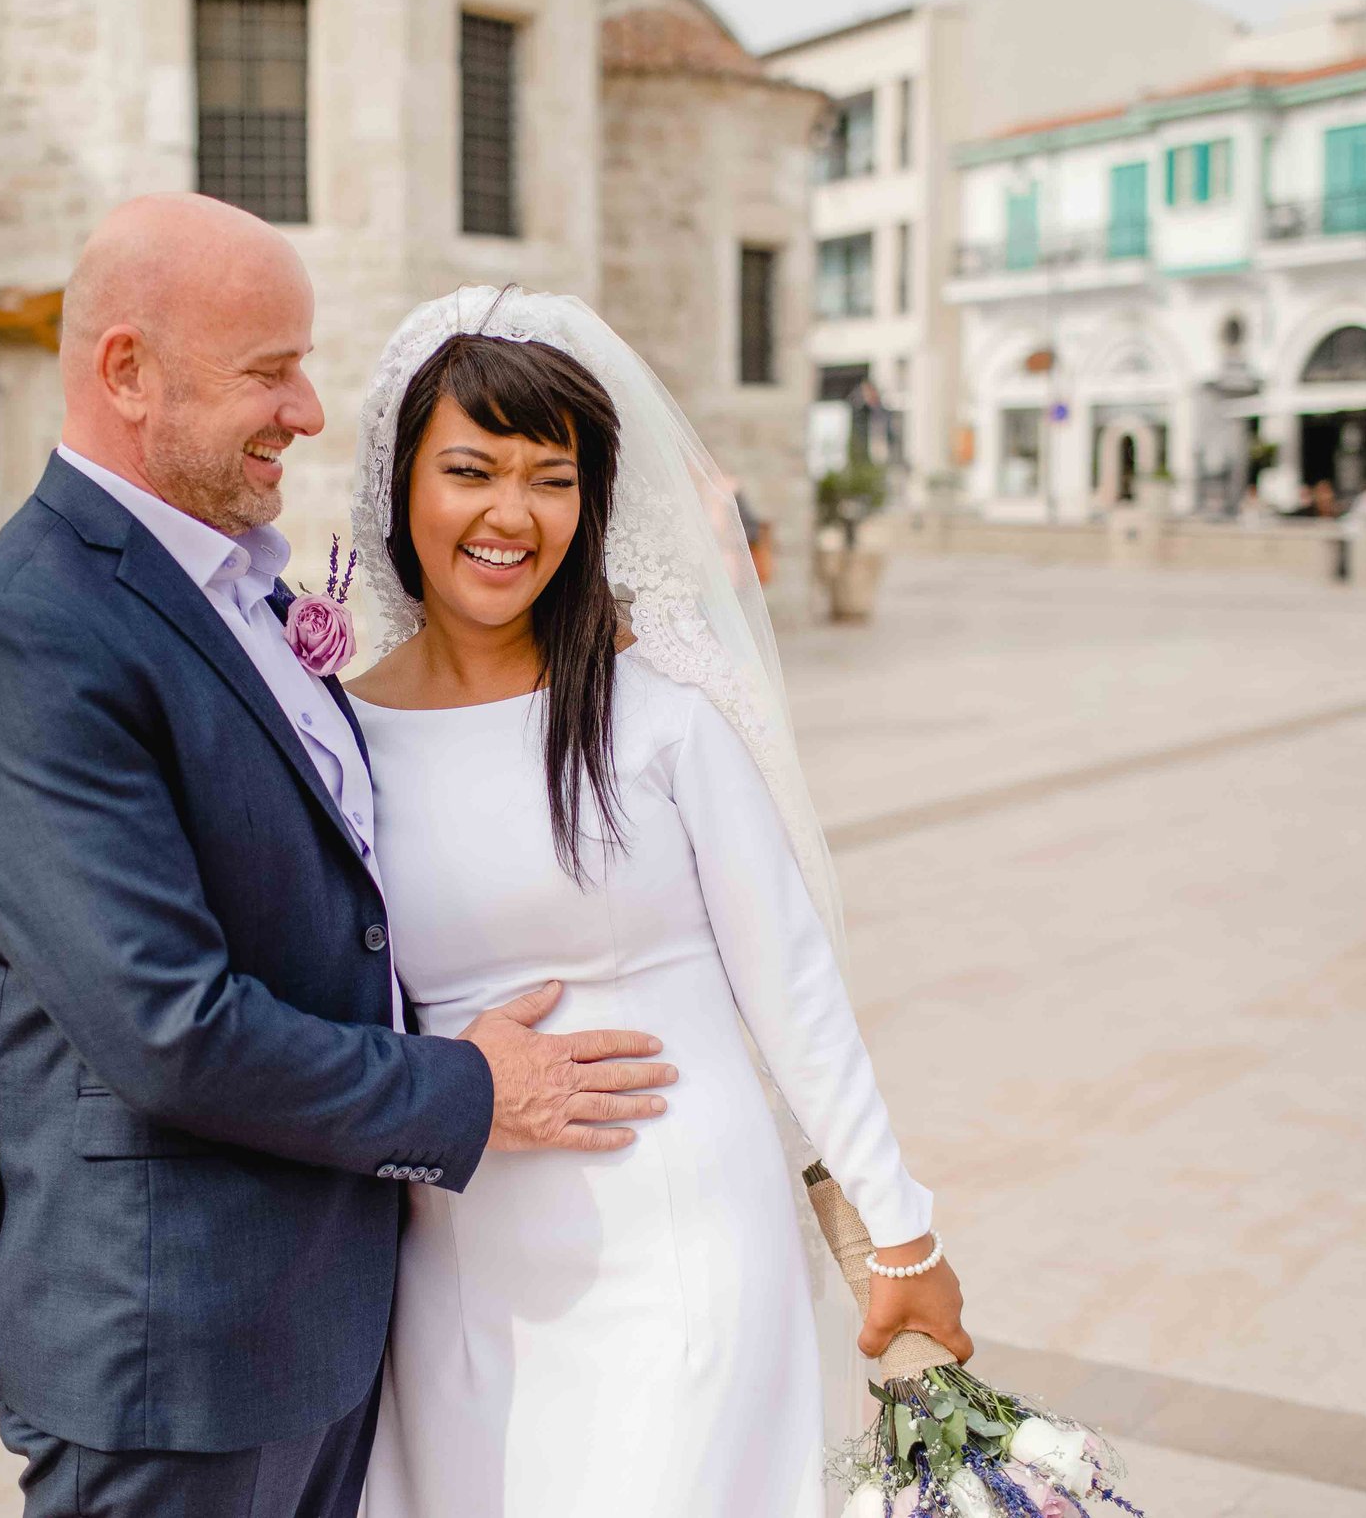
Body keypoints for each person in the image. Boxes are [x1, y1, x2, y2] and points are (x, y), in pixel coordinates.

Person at [0, 199, 678, 1518]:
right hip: (176, 1341)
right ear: (128, 372)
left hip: (317, 1302)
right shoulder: (24, 633)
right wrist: (472, 1087)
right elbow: (171, 1025)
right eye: (271, 369)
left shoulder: (243, 588)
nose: (311, 411)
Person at [345, 288, 973, 1517]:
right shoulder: (337, 730)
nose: (509, 515)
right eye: (470, 468)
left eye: (551, 478)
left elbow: (791, 983)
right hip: (455, 1260)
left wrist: (899, 1229)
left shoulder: (661, 708)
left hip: (685, 1240)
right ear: (400, 478)